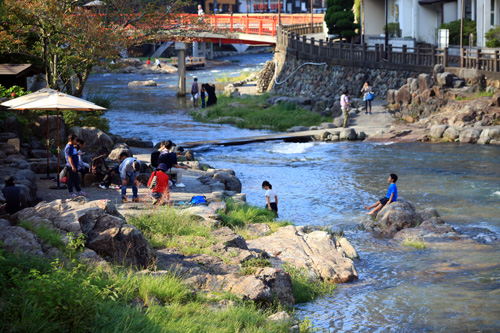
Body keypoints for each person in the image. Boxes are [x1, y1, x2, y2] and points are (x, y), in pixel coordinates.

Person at [65, 134, 87, 198]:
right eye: (75, 140)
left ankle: (79, 190)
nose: (76, 141)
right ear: (71, 140)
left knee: (76, 179)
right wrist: (73, 166)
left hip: (75, 165)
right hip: (71, 166)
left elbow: (74, 154)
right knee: (71, 179)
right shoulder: (68, 147)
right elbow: (69, 158)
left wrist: (77, 153)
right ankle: (71, 192)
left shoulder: (73, 146)